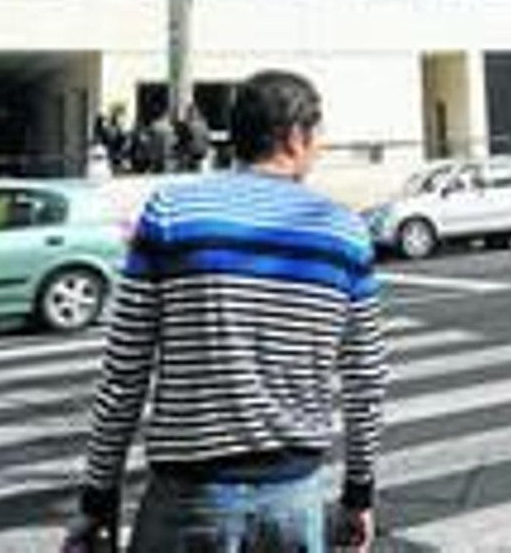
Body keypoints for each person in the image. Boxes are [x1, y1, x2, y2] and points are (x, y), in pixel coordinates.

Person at [64, 70, 388, 551]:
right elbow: (366, 379)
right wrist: (358, 494)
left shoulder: (171, 213)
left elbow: (124, 373)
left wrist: (98, 498)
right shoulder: (344, 232)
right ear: (297, 136)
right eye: (318, 135)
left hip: (186, 502)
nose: (319, 147)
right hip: (293, 504)